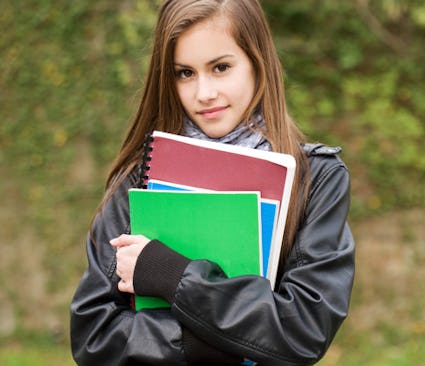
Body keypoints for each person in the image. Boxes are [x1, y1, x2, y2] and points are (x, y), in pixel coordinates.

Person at [69, 0, 355, 365]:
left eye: (221, 67)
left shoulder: (317, 179)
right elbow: (94, 338)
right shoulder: (138, 177)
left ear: (258, 63)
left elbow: (303, 330)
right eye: (184, 73)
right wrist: (226, 340)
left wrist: (169, 274)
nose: (204, 93)